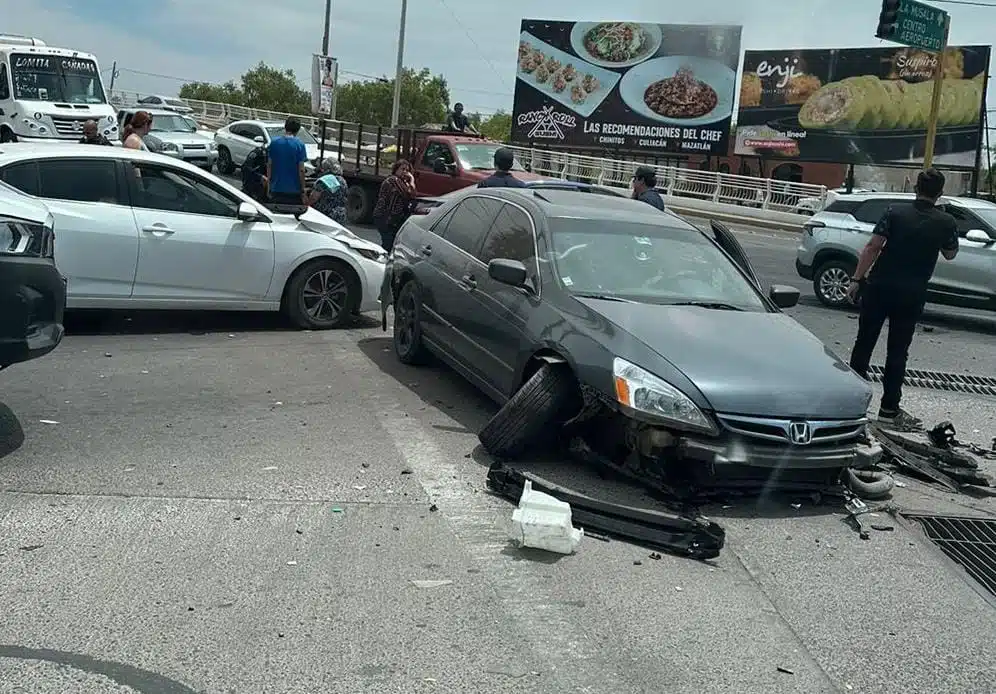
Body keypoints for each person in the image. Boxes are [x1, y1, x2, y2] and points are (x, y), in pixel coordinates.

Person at [847, 168, 959, 428]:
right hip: (912, 293)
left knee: (864, 344)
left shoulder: (894, 212)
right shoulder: (945, 222)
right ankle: (889, 409)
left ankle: (853, 403)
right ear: (940, 193)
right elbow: (951, 254)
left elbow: (873, 247)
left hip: (879, 287)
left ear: (915, 188)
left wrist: (856, 280)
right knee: (898, 351)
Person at [372, 159, 416, 251]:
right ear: (396, 169)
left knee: (391, 243)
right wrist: (412, 180)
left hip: (392, 219)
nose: (405, 172)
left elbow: (413, 195)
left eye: (407, 170)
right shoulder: (393, 180)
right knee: (388, 243)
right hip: (384, 217)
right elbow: (407, 193)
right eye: (402, 169)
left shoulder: (402, 182)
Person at [266, 117, 308, 205]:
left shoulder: (274, 143)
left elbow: (269, 165)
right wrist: (303, 190)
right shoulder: (299, 145)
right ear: (298, 130)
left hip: (276, 188)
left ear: (285, 127)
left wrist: (269, 186)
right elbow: (301, 170)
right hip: (294, 190)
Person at [309, 158, 348, 224]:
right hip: (340, 215)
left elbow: (314, 197)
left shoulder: (323, 180)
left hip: (325, 215)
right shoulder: (342, 181)